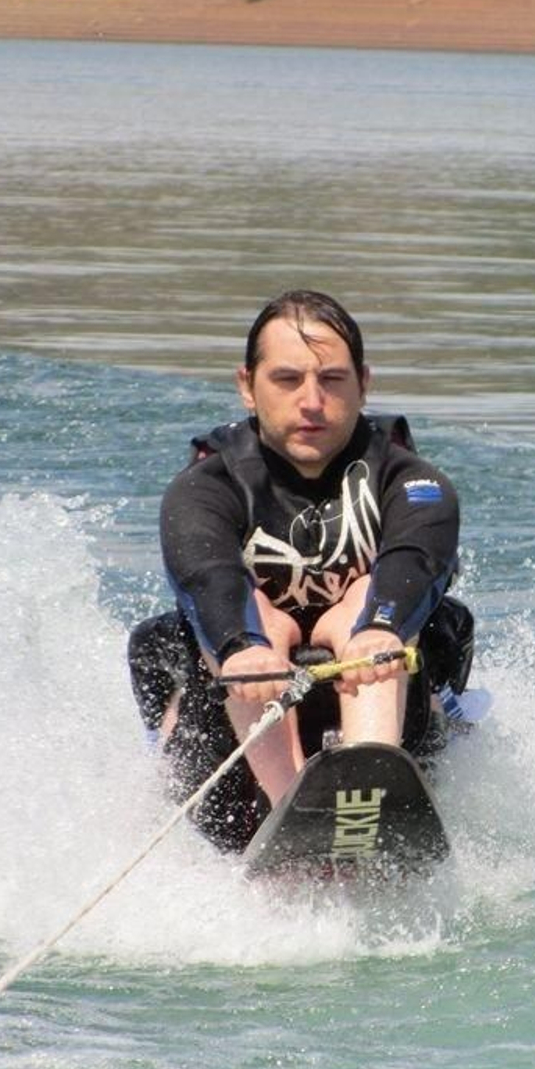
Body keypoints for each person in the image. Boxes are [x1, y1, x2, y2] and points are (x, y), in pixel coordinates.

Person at [128, 290, 474, 851]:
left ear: (364, 384)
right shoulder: (205, 490)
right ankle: (292, 818)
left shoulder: (413, 483)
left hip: (388, 709)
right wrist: (243, 645)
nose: (312, 401)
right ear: (248, 385)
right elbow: (209, 576)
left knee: (371, 612)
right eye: (287, 380)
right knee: (257, 622)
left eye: (332, 380)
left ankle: (367, 791)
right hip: (233, 737)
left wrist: (379, 627)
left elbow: (416, 557)